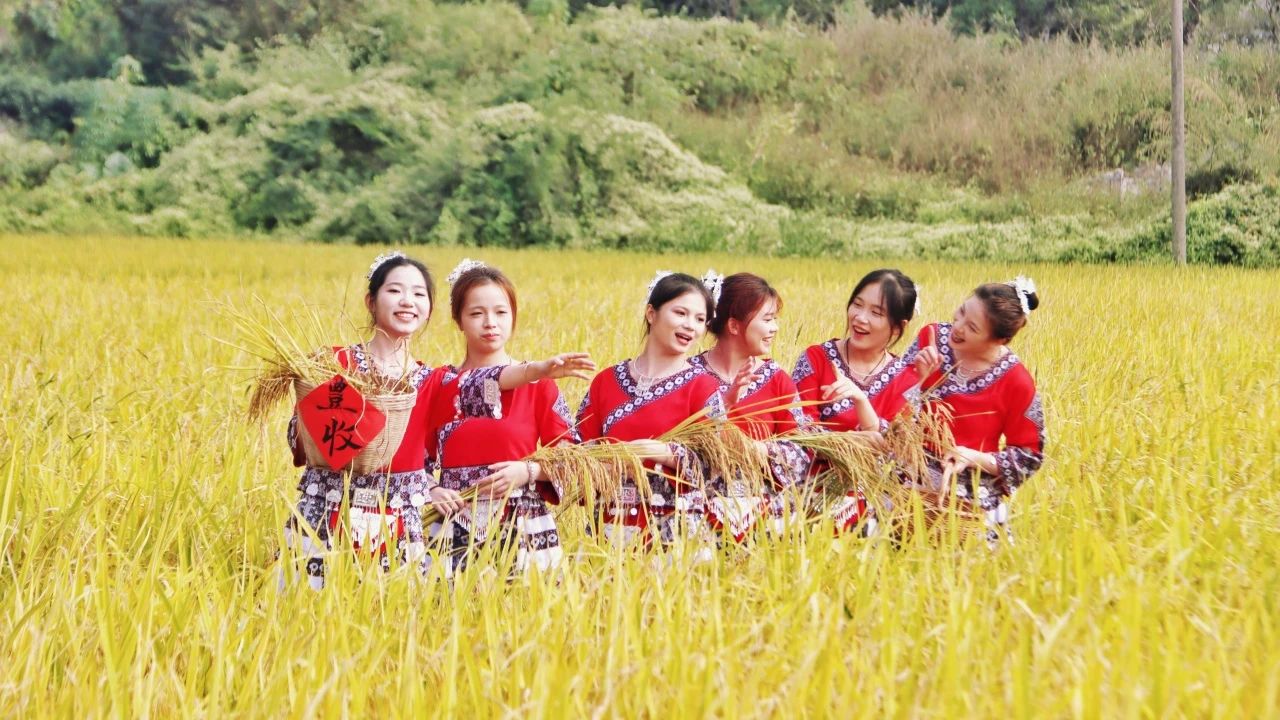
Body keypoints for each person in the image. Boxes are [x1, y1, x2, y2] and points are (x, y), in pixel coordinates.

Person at [283, 252, 593, 589]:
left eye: (419, 294)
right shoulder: (334, 363)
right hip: (329, 509)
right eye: (395, 291)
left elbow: (479, 382)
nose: (407, 301)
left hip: (397, 523)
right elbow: (302, 439)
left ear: (429, 309)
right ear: (370, 301)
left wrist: (536, 371)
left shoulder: (431, 381)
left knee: (393, 613)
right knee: (311, 606)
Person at [424, 260, 584, 576]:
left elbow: (571, 455)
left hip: (523, 525)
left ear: (513, 317)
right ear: (458, 320)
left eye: (501, 312)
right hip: (453, 524)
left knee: (527, 605)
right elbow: (415, 456)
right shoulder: (439, 384)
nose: (490, 323)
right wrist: (432, 490)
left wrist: (528, 471)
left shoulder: (539, 384)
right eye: (476, 313)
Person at [882, 277, 1045, 543]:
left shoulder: (1017, 382)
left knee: (968, 544)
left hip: (970, 484)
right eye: (961, 312)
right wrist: (920, 382)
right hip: (911, 467)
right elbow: (889, 410)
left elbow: (1029, 457)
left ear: (999, 340)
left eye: (972, 327)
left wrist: (971, 456)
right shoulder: (931, 339)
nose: (957, 327)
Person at [574, 272, 723, 550]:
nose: (690, 326)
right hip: (608, 529)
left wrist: (662, 452)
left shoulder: (703, 387)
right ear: (651, 313)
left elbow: (717, 463)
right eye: (680, 313)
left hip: (677, 534)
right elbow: (579, 451)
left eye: (699, 319)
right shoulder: (606, 381)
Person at [791, 269, 920, 532]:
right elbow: (799, 432)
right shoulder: (816, 359)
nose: (860, 318)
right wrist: (852, 441)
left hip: (882, 502)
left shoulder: (908, 379)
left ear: (899, 326)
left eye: (876, 313)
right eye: (857, 305)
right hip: (815, 494)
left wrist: (863, 406)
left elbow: (902, 452)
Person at [689, 272, 811, 540]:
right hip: (698, 518)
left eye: (775, 319)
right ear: (734, 326)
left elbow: (803, 452)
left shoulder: (777, 379)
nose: (774, 328)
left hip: (766, 520)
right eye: (767, 319)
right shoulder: (688, 377)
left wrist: (759, 450)